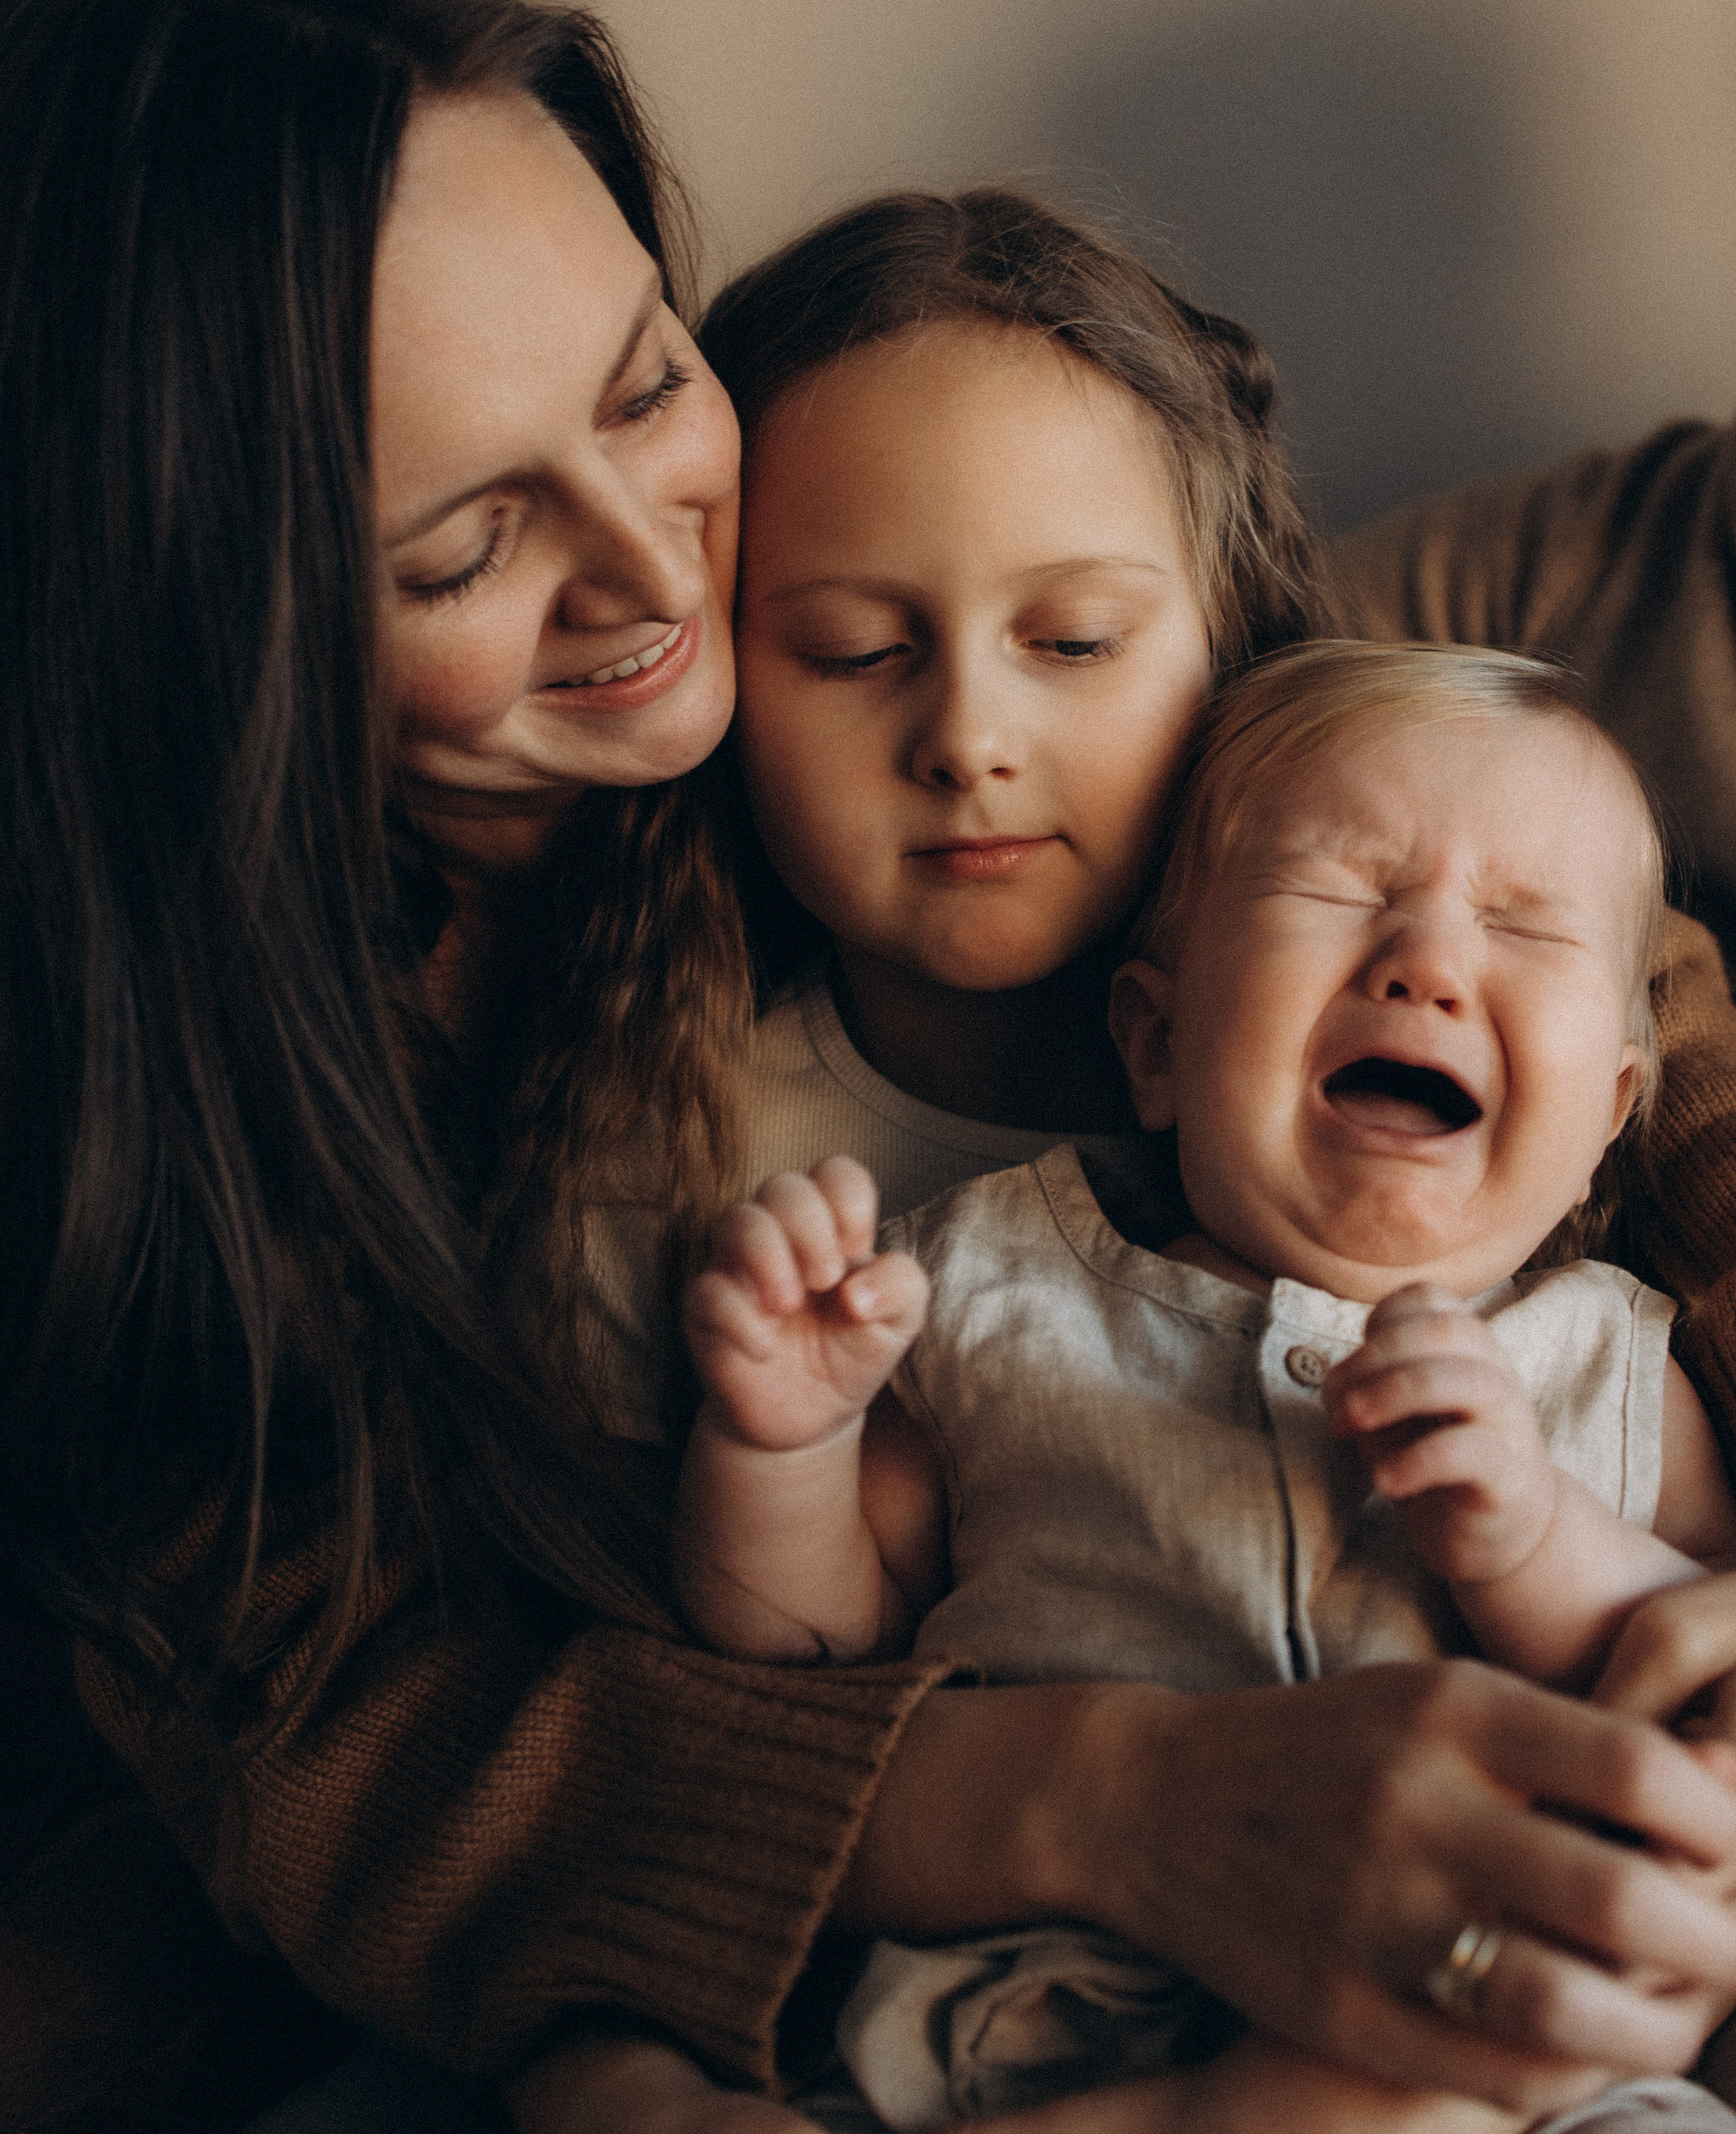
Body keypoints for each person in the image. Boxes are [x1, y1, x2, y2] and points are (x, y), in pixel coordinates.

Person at [5, 0, 1736, 2134]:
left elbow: (1586, 955)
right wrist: (1103, 1792)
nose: (662, 579)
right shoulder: (163, 1128)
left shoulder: (1124, 720)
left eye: (644, 383)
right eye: (462, 550)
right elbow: (358, 1759)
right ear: (201, 634)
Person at [673, 642, 1736, 2134]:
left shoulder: (1614, 1360)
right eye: (1340, 892)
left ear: (1613, 1113)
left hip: (1504, 2033)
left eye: (1519, 924)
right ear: (1157, 1042)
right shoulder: (992, 1294)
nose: (1424, 960)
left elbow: (1683, 1678)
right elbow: (806, 1650)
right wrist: (778, 1434)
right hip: (1044, 2024)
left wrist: (1532, 1537)